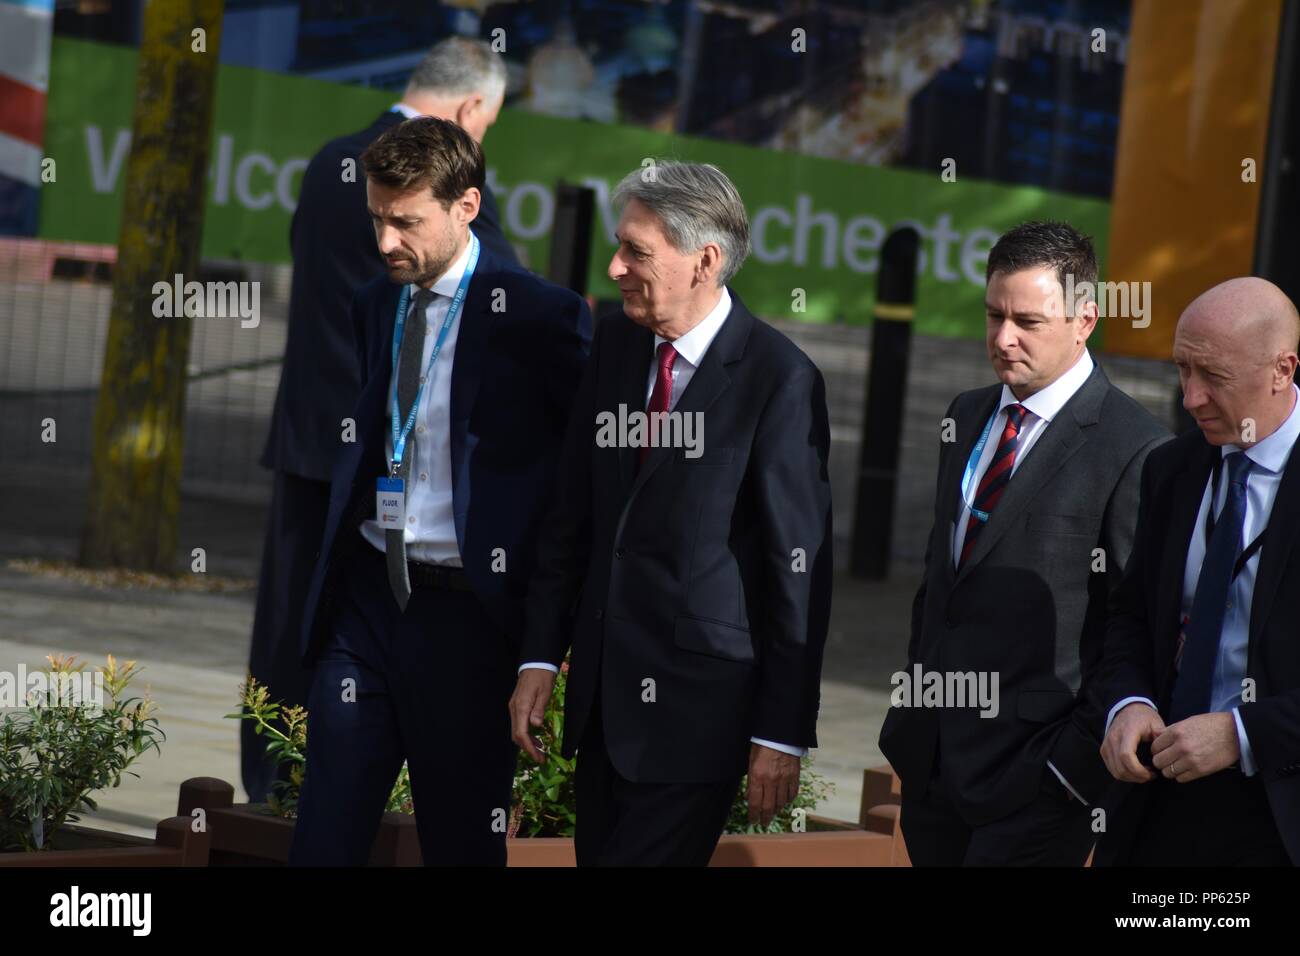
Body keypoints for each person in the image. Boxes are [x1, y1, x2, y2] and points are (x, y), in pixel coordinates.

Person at [509, 161, 833, 866]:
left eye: (636, 251)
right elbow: (573, 514)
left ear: (705, 261)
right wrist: (540, 652)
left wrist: (782, 731)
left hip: (697, 715)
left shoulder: (779, 380)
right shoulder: (617, 347)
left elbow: (797, 571)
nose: (615, 265)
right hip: (601, 707)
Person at [287, 117, 590, 865]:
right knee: (322, 837)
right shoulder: (375, 303)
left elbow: (580, 483)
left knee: (460, 840)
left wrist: (546, 644)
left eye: (406, 222)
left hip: (468, 619)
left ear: (466, 206)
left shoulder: (539, 316)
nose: (386, 241)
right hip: (366, 602)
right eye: (378, 220)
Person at [244, 37, 517, 802]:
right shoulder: (445, 179)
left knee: (288, 623)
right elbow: (507, 294)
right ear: (471, 108)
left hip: (307, 433)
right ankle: (326, 784)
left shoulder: (332, 158)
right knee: (363, 623)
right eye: (489, 121)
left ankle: (271, 786)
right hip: (385, 447)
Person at [878, 220, 1169, 865]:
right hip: (933, 762)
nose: (1003, 338)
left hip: (1036, 783)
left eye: (1028, 322)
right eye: (993, 315)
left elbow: (1135, 624)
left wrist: (1069, 772)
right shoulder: (967, 412)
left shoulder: (1134, 448)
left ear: (1085, 319)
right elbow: (942, 580)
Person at [1097, 277, 1300, 866]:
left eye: (1213, 376)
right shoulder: (1172, 468)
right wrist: (1127, 703)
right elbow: (1130, 617)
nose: (1190, 398)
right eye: (1183, 369)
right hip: (1157, 801)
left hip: (1278, 811)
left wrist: (1242, 734)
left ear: (1282, 371)